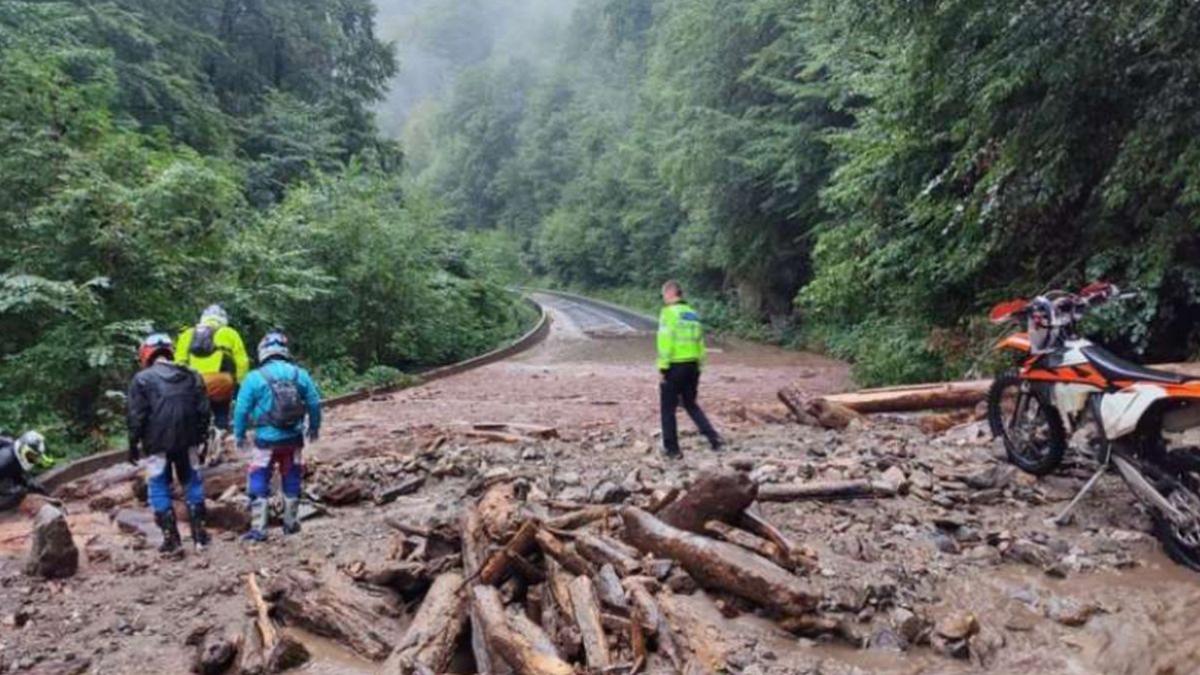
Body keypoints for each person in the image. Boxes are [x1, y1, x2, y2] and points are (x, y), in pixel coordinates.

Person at [127, 333, 212, 554]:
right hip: (189, 439)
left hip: (157, 443)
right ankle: (199, 536)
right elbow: (204, 410)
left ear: (146, 354)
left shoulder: (142, 380)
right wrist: (202, 438)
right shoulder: (191, 374)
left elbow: (136, 416)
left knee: (158, 484)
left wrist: (133, 443)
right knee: (192, 481)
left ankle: (171, 540)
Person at [234, 330, 321, 542]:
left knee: (258, 477)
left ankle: (259, 529)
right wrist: (314, 428)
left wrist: (239, 434)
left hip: (265, 441)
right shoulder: (300, 374)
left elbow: (241, 410)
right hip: (293, 439)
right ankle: (291, 524)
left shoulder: (254, 378)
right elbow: (314, 403)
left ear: (263, 352)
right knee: (291, 476)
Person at [657, 280, 721, 458]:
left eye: (664, 295)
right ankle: (714, 438)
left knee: (667, 409)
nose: (664, 298)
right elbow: (700, 342)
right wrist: (700, 365)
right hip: (693, 365)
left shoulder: (668, 313)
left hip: (675, 365)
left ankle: (672, 450)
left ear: (670, 293)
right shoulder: (692, 314)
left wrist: (662, 368)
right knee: (690, 404)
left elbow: (665, 342)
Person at [175, 305, 250, 440]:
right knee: (221, 410)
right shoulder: (230, 333)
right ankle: (219, 435)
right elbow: (242, 361)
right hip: (221, 381)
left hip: (195, 382)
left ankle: (198, 441)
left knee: (196, 414)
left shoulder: (187, 334)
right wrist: (240, 383)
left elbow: (179, 362)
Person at [0, 431, 50, 511]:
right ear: (22, 448)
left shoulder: (15, 457)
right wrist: (9, 490)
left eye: (34, 457)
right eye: (30, 455)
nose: (31, 458)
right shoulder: (5, 459)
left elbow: (19, 474)